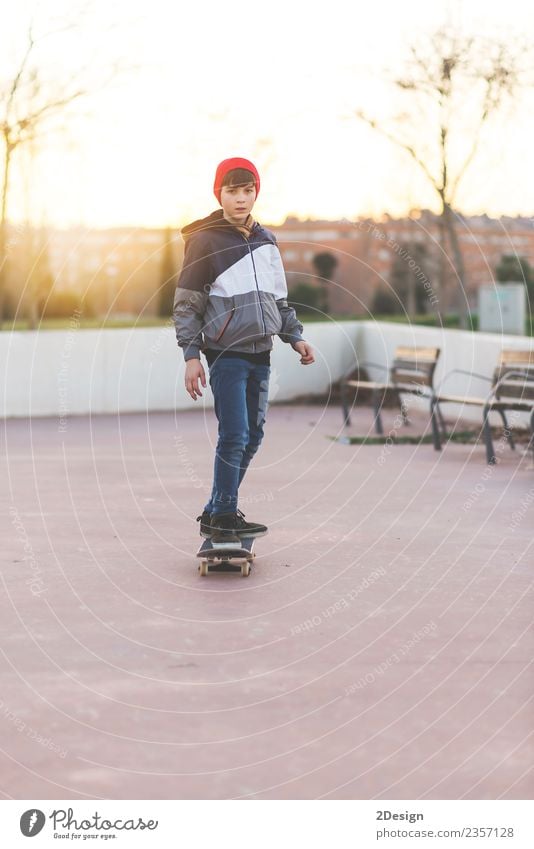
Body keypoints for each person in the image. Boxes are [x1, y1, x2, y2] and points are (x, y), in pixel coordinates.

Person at [173, 156, 315, 545]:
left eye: (247, 190)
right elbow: (187, 304)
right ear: (218, 193)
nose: (240, 198)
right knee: (234, 434)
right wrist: (191, 355)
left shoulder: (267, 241)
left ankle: (219, 508)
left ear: (256, 193)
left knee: (252, 436)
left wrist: (295, 336)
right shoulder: (205, 241)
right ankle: (222, 513)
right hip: (225, 352)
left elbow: (278, 301)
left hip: (261, 352)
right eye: (232, 191)